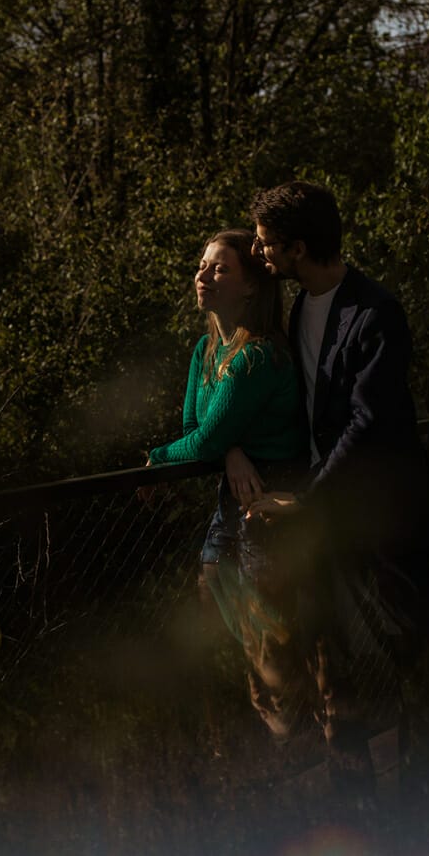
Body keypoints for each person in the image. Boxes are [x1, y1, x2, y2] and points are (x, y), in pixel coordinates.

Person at [240, 180, 429, 807]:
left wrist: (311, 499)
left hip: (386, 514)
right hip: (325, 517)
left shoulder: (377, 313)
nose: (258, 251)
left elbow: (368, 421)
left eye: (267, 243)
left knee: (414, 650)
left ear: (298, 248)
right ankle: (351, 792)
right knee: (333, 654)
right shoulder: (298, 308)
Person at [146, 229, 305, 674]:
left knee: (273, 642)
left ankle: (296, 709)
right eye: (202, 266)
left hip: (271, 499)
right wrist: (230, 450)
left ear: (251, 286)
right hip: (234, 494)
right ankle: (272, 705)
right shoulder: (207, 350)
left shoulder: (257, 356)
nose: (203, 276)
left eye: (220, 269)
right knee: (229, 609)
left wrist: (158, 458)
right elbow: (195, 430)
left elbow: (202, 442)